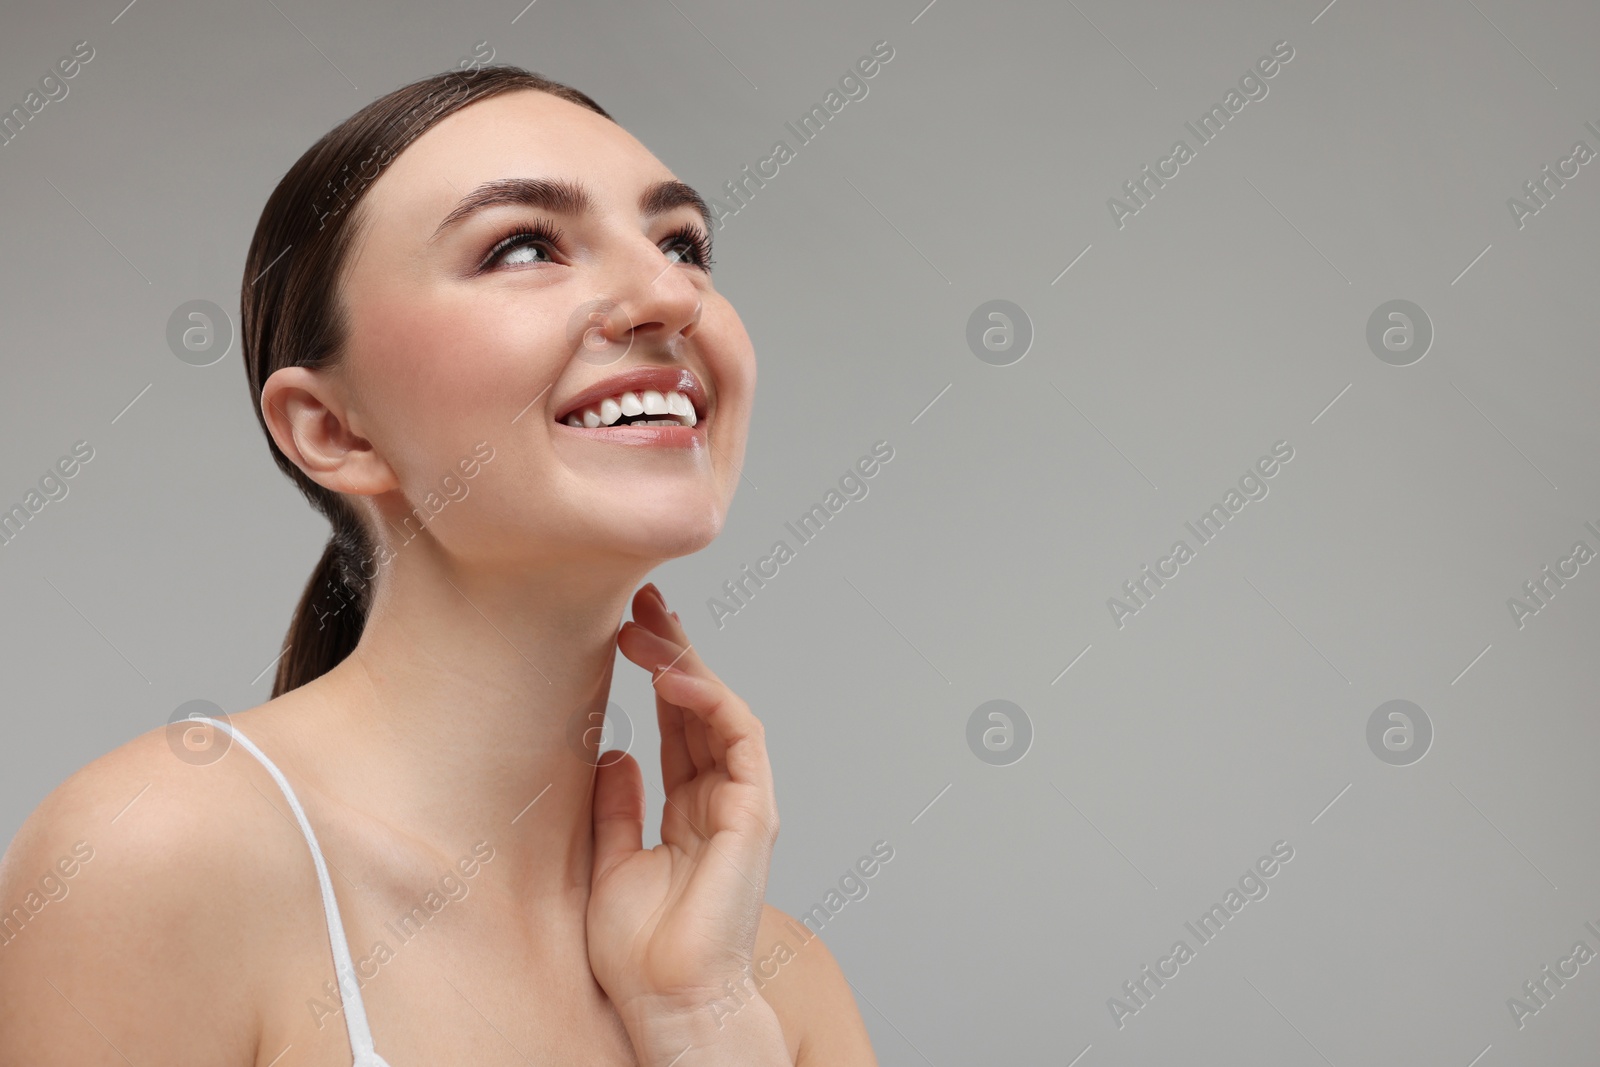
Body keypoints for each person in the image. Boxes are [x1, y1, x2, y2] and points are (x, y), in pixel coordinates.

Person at [0, 65, 876, 1065]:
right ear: (334, 429)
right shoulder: (150, 858)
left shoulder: (768, 983)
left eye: (682, 243)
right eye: (522, 246)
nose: (669, 293)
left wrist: (696, 1020)